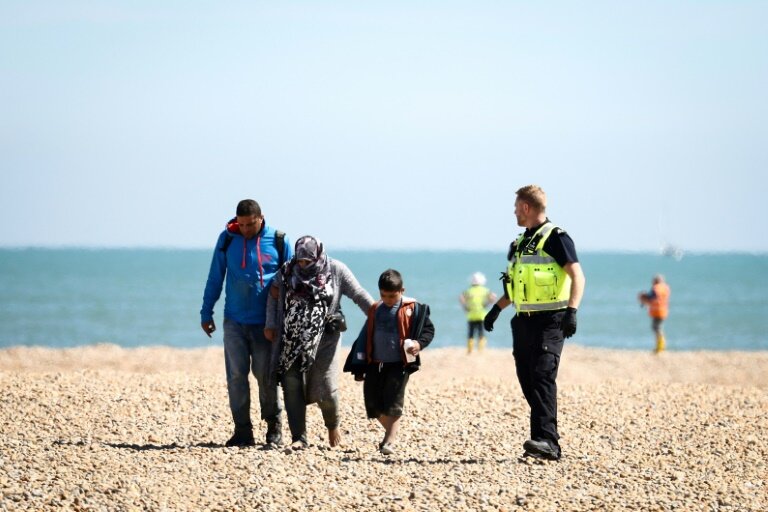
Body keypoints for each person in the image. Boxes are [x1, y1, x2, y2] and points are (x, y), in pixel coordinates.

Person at [483, 185, 585, 461]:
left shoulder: (557, 238)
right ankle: (542, 438)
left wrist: (571, 311)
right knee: (528, 379)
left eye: (516, 206)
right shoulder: (519, 243)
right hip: (523, 321)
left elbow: (578, 276)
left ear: (526, 208)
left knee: (542, 376)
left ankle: (547, 442)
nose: (514, 211)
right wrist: (497, 308)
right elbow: (517, 284)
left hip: (551, 320)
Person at [265, 236, 374, 450]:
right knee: (292, 383)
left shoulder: (336, 270)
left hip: (326, 339)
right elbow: (273, 294)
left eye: (308, 261)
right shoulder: (288, 270)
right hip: (292, 339)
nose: (303, 265)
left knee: (325, 385)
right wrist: (270, 323)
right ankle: (299, 437)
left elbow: (358, 293)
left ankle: (332, 424)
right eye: (301, 261)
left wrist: (376, 314)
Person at [200, 199, 292, 448]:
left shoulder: (280, 241)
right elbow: (215, 276)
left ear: (261, 218)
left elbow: (293, 282)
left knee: (266, 377)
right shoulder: (228, 239)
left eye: (250, 224)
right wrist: (206, 312)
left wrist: (290, 322)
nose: (246, 230)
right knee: (236, 376)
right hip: (234, 320)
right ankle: (242, 430)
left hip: (266, 324)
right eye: (241, 225)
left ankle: (274, 429)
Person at [342, 269, 435, 456]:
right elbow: (364, 337)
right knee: (372, 403)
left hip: (399, 364)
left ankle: (389, 440)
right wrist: (358, 364)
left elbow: (428, 330)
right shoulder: (376, 309)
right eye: (384, 295)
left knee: (393, 401)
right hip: (375, 363)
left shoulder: (413, 309)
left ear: (402, 290)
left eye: (392, 296)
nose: (388, 299)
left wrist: (418, 343)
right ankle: (389, 431)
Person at [459, 272, 497, 354]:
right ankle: (480, 350)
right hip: (481, 315)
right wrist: (486, 304)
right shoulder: (485, 290)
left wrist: (465, 307)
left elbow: (461, 298)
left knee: (471, 333)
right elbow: (493, 297)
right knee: (481, 333)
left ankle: (470, 350)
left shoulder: (469, 290)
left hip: (471, 315)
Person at [638, 274, 670, 353]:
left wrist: (643, 297)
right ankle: (661, 346)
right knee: (657, 328)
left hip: (657, 311)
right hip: (663, 311)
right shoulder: (665, 288)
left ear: (656, 280)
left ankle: (660, 347)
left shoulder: (656, 288)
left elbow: (651, 297)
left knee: (656, 328)